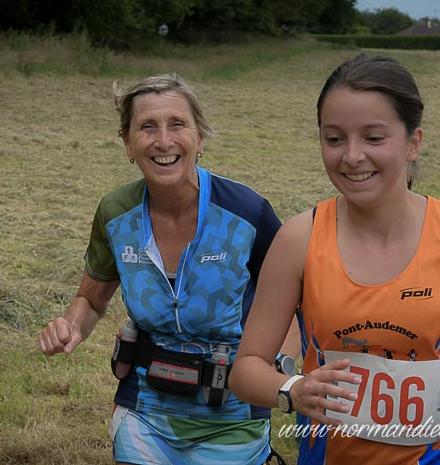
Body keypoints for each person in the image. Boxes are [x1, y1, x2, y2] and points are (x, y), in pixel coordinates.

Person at [229, 54, 440, 463]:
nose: (352, 156)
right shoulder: (299, 239)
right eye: (334, 139)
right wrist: (291, 389)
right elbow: (246, 370)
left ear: (413, 143)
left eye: (374, 138)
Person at [38, 73, 298, 465]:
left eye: (177, 124)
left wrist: (278, 372)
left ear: (200, 138)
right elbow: (90, 301)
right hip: (143, 407)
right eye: (147, 127)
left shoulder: (247, 213)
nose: (163, 141)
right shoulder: (115, 213)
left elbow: (294, 301)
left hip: (232, 411)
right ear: (127, 143)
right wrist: (71, 327)